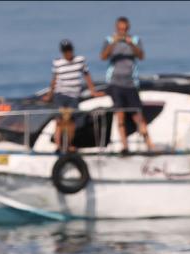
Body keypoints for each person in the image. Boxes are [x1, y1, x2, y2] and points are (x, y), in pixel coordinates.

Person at [99, 16, 154, 153]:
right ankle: (125, 146)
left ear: (128, 29)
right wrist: (114, 43)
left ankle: (149, 144)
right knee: (121, 114)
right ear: (116, 29)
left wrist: (130, 44)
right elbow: (103, 56)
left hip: (131, 84)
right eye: (120, 29)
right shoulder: (109, 40)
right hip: (115, 83)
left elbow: (141, 56)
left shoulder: (135, 40)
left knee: (138, 115)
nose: (122, 32)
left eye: (124, 29)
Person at [42, 39, 103, 152]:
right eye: (65, 51)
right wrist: (50, 95)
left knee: (71, 121)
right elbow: (54, 80)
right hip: (60, 95)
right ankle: (58, 145)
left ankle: (68, 144)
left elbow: (87, 75)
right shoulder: (57, 62)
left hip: (74, 95)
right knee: (60, 120)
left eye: (69, 50)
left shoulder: (80, 60)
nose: (67, 53)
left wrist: (93, 91)